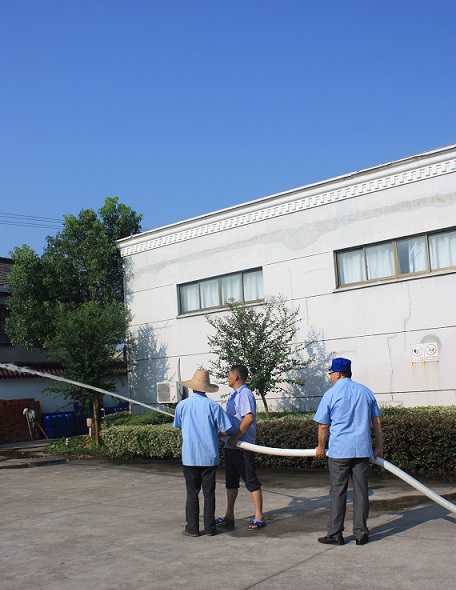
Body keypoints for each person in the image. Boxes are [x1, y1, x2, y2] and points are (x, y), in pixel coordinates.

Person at [314, 357, 383, 546]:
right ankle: (361, 533)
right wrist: (379, 447)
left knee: (338, 492)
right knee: (361, 491)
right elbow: (377, 422)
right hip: (362, 450)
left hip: (339, 451)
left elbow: (323, 425)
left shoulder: (331, 394)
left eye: (330, 373)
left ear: (337, 374)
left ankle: (335, 533)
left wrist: (321, 446)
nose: (330, 376)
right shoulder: (365, 391)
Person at [173, 369, 232, 537]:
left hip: (190, 456)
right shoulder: (213, 406)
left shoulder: (182, 405)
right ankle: (210, 528)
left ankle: (192, 528)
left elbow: (178, 425)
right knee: (209, 493)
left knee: (192, 493)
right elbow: (226, 430)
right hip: (209, 456)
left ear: (192, 387)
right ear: (207, 388)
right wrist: (214, 434)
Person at [216, 364, 265, 530]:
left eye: (228, 375)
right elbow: (231, 420)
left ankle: (259, 516)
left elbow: (248, 418)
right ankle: (229, 514)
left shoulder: (245, 394)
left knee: (251, 481)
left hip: (243, 447)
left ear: (235, 376)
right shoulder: (233, 396)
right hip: (231, 447)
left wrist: (236, 437)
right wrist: (222, 434)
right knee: (231, 483)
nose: (227, 378)